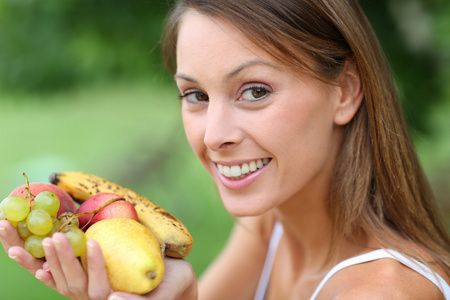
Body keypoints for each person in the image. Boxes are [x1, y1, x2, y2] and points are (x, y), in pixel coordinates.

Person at [1, 0, 450, 299]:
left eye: (254, 91)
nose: (214, 135)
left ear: (346, 91)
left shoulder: (380, 291)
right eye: (195, 95)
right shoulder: (270, 225)